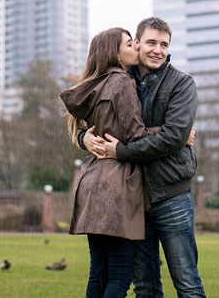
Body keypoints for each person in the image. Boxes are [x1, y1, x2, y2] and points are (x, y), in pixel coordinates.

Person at [60, 27, 193, 298]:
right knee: (121, 274)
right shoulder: (122, 81)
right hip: (117, 187)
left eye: (164, 44)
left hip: (96, 182)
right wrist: (176, 134)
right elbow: (135, 135)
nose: (140, 47)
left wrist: (86, 136)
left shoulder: (98, 83)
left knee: (99, 272)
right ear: (117, 51)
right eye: (133, 43)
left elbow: (93, 125)